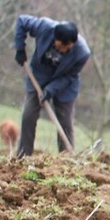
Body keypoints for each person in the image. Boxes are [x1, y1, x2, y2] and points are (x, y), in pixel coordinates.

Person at [13, 15, 90, 157]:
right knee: (28, 115)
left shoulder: (82, 53)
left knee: (65, 122)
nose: (64, 50)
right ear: (55, 38)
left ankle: (66, 158)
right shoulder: (45, 27)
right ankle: (23, 156)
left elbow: (70, 76)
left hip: (64, 86)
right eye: (62, 46)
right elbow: (21, 21)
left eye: (68, 48)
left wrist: (50, 89)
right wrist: (20, 48)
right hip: (38, 76)